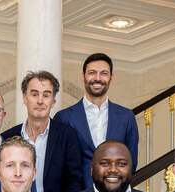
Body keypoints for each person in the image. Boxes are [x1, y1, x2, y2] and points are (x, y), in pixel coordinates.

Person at [0, 71, 85, 192]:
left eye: (46, 95)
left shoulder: (67, 136)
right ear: (24, 98)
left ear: (53, 100)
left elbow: (74, 181)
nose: (40, 101)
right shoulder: (7, 137)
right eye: (34, 94)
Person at [54, 53, 140, 182]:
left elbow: (130, 162)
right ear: (83, 76)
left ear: (111, 77)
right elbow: (58, 164)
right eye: (92, 72)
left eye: (104, 73)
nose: (97, 78)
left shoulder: (126, 117)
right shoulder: (64, 117)